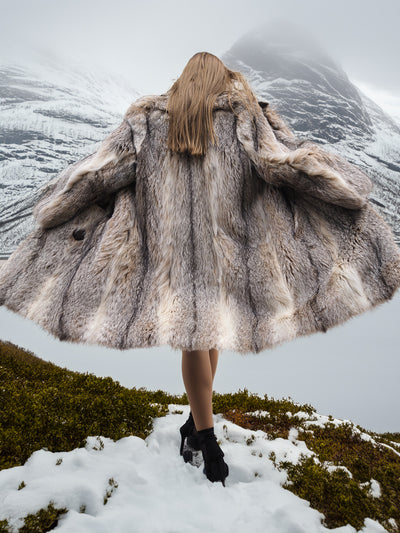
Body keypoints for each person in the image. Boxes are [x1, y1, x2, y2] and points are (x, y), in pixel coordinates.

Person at [2, 51, 400, 489]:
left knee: (199, 332)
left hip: (169, 251)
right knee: (204, 332)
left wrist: (56, 204)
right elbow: (281, 162)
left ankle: (196, 427)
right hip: (228, 248)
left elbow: (102, 172)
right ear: (222, 78)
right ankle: (207, 441)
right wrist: (347, 186)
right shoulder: (243, 116)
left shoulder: (147, 119)